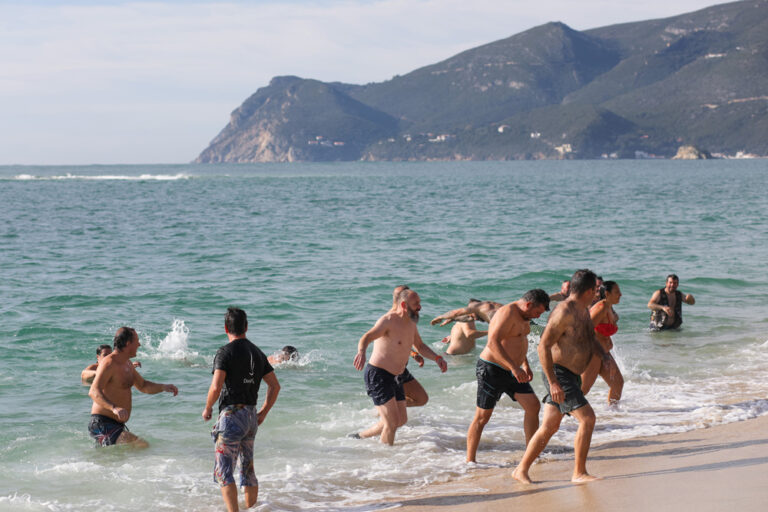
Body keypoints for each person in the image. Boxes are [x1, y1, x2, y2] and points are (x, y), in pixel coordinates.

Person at [512, 269, 607, 484]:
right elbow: (543, 346)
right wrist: (553, 382)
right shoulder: (564, 311)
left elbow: (589, 337)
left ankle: (521, 469)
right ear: (589, 290)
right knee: (588, 418)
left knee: (550, 426)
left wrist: (605, 357)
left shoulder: (583, 310)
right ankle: (579, 473)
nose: (597, 293)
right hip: (559, 375)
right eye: (596, 289)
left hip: (572, 376)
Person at [202, 307, 280, 512]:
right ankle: (251, 509)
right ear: (246, 327)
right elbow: (275, 385)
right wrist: (263, 412)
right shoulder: (257, 352)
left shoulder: (224, 352)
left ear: (226, 327)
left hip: (231, 416)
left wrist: (208, 407)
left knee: (224, 471)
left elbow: (216, 386)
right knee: (247, 470)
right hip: (251, 416)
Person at [352, 288, 447, 445]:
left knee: (401, 419)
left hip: (397, 376)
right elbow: (367, 336)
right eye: (416, 304)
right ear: (404, 305)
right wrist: (361, 352)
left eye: (420, 303)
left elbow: (420, 345)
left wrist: (437, 358)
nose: (420, 307)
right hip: (379, 375)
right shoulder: (388, 321)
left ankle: (360, 437)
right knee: (392, 423)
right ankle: (385, 460)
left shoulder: (410, 322)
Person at [466, 289, 550, 463]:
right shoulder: (506, 313)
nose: (537, 317)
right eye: (537, 312)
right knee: (482, 417)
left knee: (533, 406)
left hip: (514, 370)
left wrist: (524, 365)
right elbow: (492, 342)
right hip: (492, 369)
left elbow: (519, 341)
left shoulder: (525, 317)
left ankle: (532, 453)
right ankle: (470, 461)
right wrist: (514, 367)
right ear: (528, 304)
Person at [88, 327, 178, 448]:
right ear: (128, 343)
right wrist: (114, 408)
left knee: (120, 459)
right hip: (102, 423)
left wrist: (163, 387)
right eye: (137, 341)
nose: (139, 344)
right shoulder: (109, 363)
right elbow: (93, 391)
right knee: (141, 446)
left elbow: (143, 385)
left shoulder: (128, 364)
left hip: (116, 425)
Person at [581, 281, 624, 404]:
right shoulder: (600, 308)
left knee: (617, 383)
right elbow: (586, 330)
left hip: (603, 352)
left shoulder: (608, 307)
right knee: (583, 389)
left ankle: (612, 414)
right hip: (594, 353)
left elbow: (601, 331)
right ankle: (561, 415)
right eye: (617, 292)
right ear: (607, 293)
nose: (620, 294)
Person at [431, 299, 503, 326]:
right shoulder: (489, 309)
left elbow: (456, 312)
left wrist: (440, 317)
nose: (470, 315)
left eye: (470, 311)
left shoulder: (476, 305)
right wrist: (453, 319)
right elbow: (469, 318)